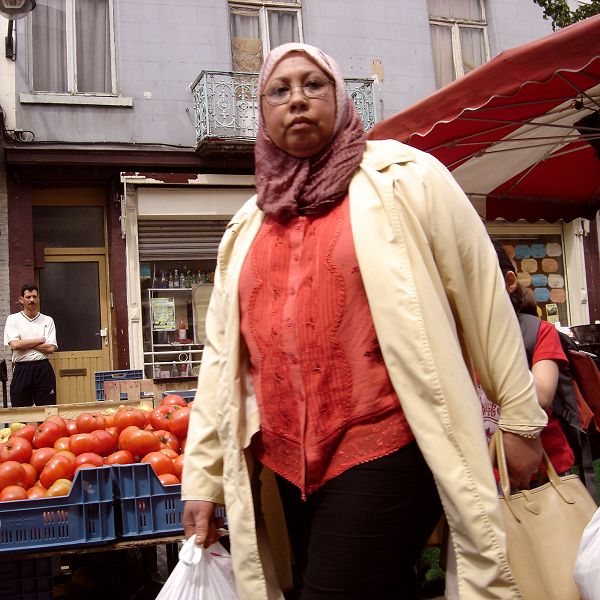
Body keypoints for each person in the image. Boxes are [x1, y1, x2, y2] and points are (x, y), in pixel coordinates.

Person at [181, 43, 548, 600]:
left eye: (313, 85)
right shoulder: (247, 226)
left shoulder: (408, 178)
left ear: (341, 96)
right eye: (279, 91)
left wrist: (522, 420)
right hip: (283, 464)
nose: (297, 101)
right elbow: (222, 361)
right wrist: (203, 477)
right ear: (262, 112)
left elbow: (482, 296)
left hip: (385, 443)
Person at [487, 241, 575, 476]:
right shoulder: (455, 336)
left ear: (509, 282)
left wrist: (490, 345)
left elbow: (543, 395)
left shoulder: (538, 331)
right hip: (483, 473)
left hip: (544, 472)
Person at [3, 283, 58, 406]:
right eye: (28, 297)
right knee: (20, 412)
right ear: (21, 299)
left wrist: (25, 343)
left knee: (47, 411)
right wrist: (40, 339)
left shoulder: (48, 320)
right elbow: (15, 345)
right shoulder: (13, 319)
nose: (32, 300)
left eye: (34, 296)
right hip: (22, 368)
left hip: (43, 368)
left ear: (38, 298)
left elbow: (50, 348)